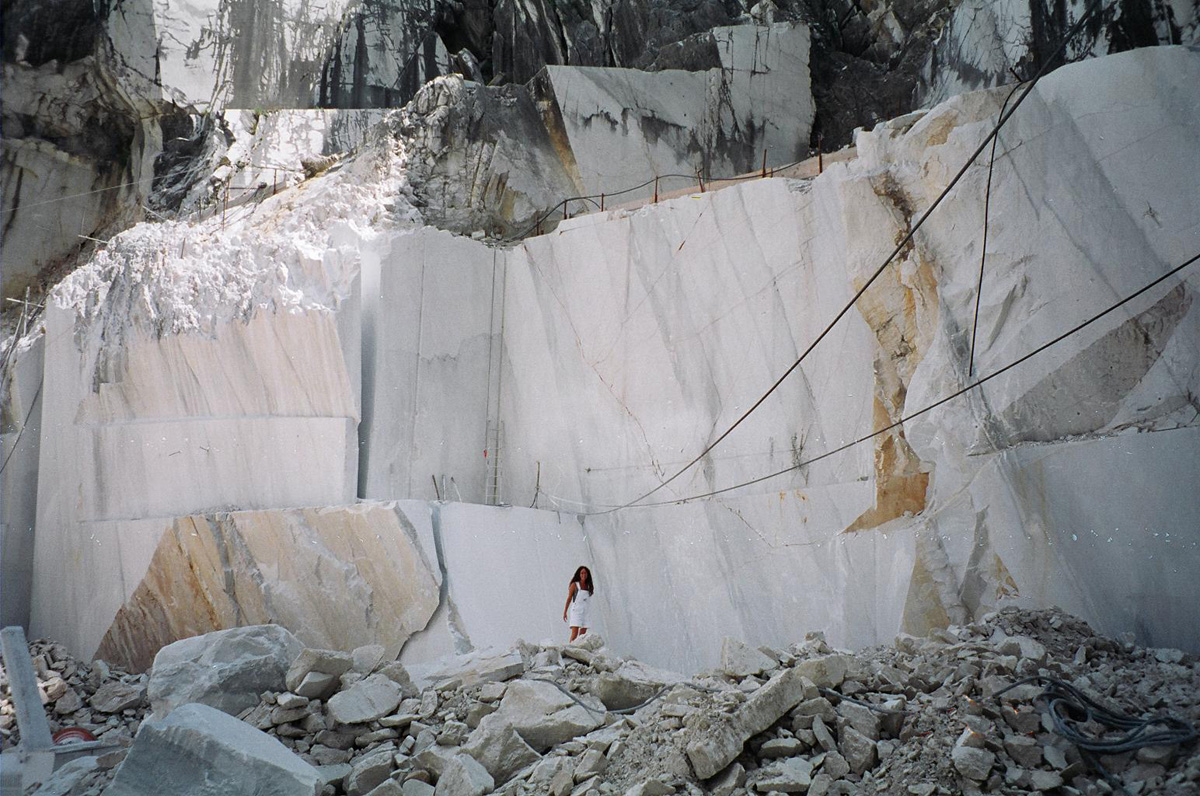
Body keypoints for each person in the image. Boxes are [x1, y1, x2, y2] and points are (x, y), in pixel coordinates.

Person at [563, 566, 594, 642]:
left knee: (583, 633)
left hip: (585, 611)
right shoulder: (575, 585)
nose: (584, 575)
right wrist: (565, 612)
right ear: (579, 574)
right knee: (574, 633)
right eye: (582, 573)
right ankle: (570, 649)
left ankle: (579, 648)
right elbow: (569, 598)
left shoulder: (588, 586)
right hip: (576, 610)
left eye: (585, 573)